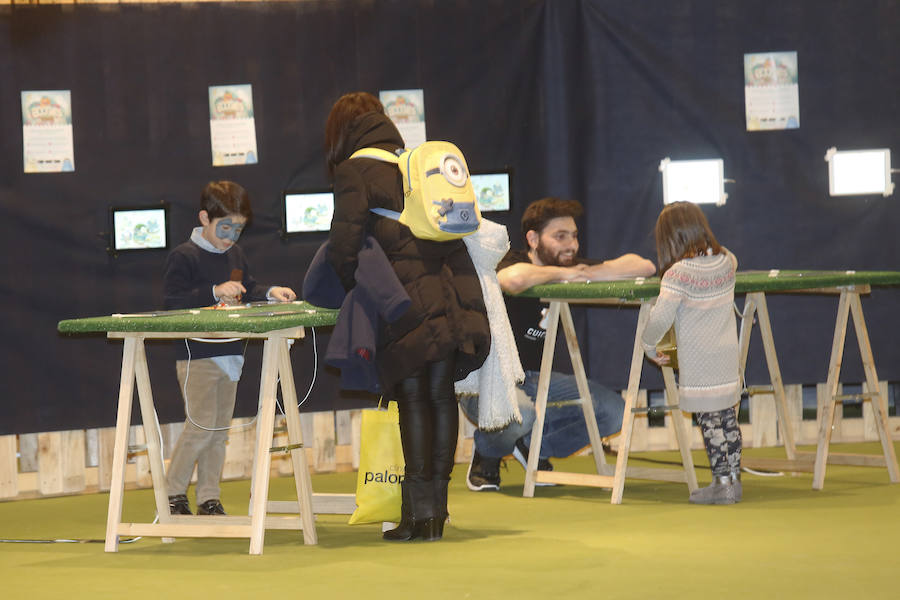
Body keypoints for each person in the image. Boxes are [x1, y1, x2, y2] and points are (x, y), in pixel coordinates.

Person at [324, 92, 490, 541]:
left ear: (342, 132)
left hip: (404, 294)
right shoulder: (414, 165)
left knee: (414, 398)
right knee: (440, 396)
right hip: (453, 286)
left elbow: (345, 246)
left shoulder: (354, 171)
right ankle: (434, 514)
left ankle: (417, 519)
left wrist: (359, 292)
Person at [460, 197, 656, 491]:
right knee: (520, 415)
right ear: (533, 239)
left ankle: (532, 446)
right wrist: (567, 275)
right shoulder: (512, 259)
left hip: (536, 379)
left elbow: (644, 266)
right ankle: (487, 453)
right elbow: (512, 279)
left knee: (614, 412)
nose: (571, 246)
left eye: (574, 236)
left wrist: (586, 273)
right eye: (560, 236)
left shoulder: (574, 266)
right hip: (487, 381)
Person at [163, 181, 296, 516]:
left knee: (219, 432)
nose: (231, 236)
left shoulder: (235, 254)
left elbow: (245, 288)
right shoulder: (184, 256)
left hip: (231, 354)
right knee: (200, 428)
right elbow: (172, 303)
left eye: (238, 228)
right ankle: (172, 494)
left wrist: (270, 292)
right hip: (198, 356)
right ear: (204, 218)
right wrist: (212, 291)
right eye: (225, 227)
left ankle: (209, 497)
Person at [640, 201, 742, 505]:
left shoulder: (678, 274)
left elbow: (661, 317)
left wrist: (648, 345)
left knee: (709, 422)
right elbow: (732, 259)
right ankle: (734, 481)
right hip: (727, 356)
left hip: (700, 360)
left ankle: (720, 483)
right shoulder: (727, 261)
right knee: (728, 419)